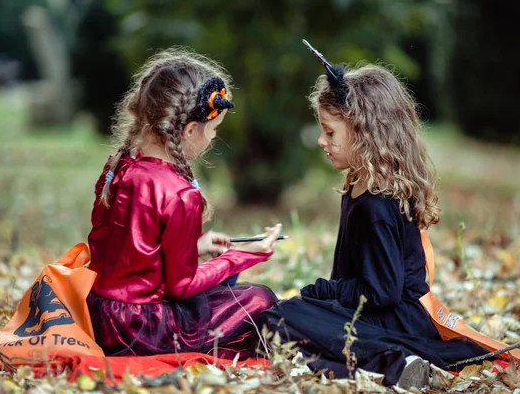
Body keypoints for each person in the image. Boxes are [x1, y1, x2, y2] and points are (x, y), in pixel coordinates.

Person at [257, 43, 489, 388]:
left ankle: (395, 360)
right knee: (284, 319)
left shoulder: (376, 205)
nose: (322, 140)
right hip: (372, 315)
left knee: (278, 317)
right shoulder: (360, 187)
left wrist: (321, 292)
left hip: (394, 321)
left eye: (330, 131)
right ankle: (373, 364)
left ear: (366, 132)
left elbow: (382, 293)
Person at [86, 48, 282, 360]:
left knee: (224, 286)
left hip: (99, 314)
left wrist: (197, 246)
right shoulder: (179, 193)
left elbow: (131, 254)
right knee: (259, 299)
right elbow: (181, 287)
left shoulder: (121, 165)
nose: (214, 138)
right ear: (190, 130)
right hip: (141, 328)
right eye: (213, 130)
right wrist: (244, 255)